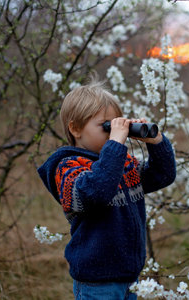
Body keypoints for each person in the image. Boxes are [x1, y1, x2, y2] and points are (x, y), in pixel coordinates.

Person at [37, 78, 176, 299]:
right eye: (106, 126)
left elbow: (163, 176)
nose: (113, 131)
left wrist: (156, 141)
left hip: (130, 275)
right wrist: (115, 146)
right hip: (97, 280)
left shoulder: (120, 163)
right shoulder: (68, 168)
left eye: (116, 124)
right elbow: (96, 193)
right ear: (75, 128)